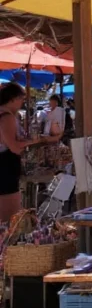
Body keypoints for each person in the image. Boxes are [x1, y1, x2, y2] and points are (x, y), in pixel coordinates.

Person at [0, 83, 34, 222]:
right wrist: (32, 141)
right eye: (21, 99)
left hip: (4, 166)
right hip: (5, 167)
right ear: (13, 98)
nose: (22, 103)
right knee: (10, 219)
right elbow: (13, 147)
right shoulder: (7, 116)